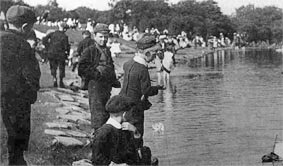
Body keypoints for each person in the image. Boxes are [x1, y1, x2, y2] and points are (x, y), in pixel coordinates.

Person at [1, 5, 41, 165]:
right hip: (16, 101)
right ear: (26, 27)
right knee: (16, 141)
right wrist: (32, 94)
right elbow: (32, 76)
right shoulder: (22, 45)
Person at [119, 35, 164, 148]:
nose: (154, 57)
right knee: (137, 132)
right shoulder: (142, 69)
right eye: (154, 53)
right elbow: (147, 90)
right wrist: (158, 88)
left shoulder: (128, 63)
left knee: (126, 132)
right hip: (134, 107)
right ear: (147, 53)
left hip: (123, 103)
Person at [92, 95, 158, 166]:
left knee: (146, 151)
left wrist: (135, 131)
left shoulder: (124, 127)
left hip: (129, 162)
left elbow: (135, 147)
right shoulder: (104, 132)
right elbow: (97, 158)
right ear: (124, 114)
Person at [78, 23, 121, 131]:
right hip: (95, 85)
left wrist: (114, 78)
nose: (103, 39)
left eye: (106, 37)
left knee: (106, 109)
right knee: (98, 111)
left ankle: (103, 137)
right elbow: (82, 68)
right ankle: (96, 136)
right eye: (101, 36)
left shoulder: (107, 50)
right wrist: (96, 74)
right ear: (94, 36)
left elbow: (109, 66)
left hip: (106, 85)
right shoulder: (90, 50)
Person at [42, 22, 70, 88]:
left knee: (53, 67)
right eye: (65, 29)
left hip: (51, 52)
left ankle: (54, 78)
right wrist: (67, 53)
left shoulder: (52, 34)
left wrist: (48, 46)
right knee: (61, 68)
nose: (66, 30)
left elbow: (44, 40)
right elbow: (66, 47)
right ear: (64, 29)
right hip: (61, 54)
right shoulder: (64, 36)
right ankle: (61, 81)